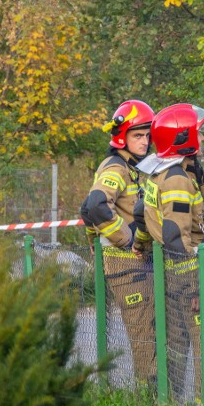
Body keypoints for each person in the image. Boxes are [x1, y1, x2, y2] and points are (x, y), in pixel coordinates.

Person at [131, 103, 204, 402]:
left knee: (176, 346)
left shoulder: (157, 174)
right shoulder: (178, 181)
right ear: (183, 138)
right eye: (198, 134)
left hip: (170, 274)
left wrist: (139, 244)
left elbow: (142, 214)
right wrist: (197, 284)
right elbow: (174, 235)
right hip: (189, 276)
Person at [80, 99, 157, 384]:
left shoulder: (131, 166)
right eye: (138, 135)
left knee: (150, 327)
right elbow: (95, 205)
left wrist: (93, 238)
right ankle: (148, 402)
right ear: (121, 136)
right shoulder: (116, 168)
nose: (145, 141)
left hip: (137, 263)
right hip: (126, 263)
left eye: (147, 135)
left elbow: (85, 210)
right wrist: (127, 239)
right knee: (144, 332)